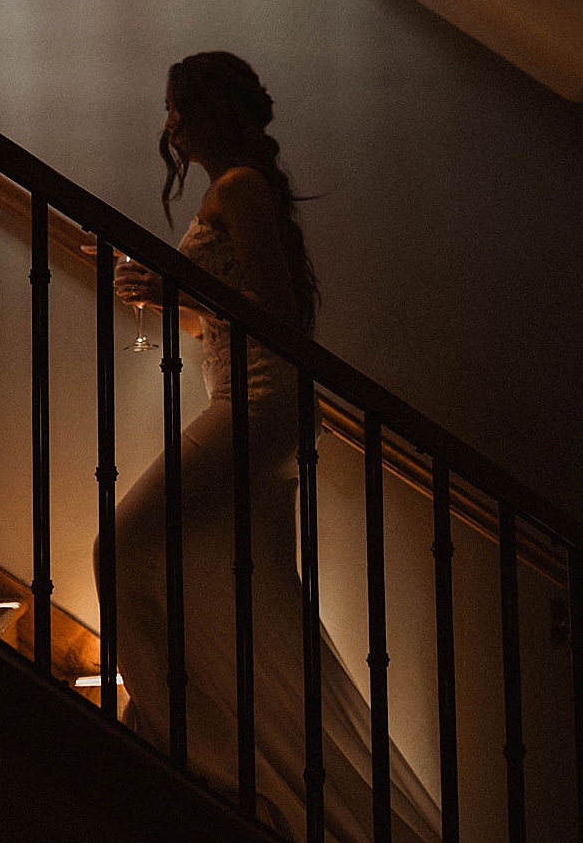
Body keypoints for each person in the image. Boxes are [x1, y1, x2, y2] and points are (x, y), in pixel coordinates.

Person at [104, 52, 441, 843]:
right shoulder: (235, 190)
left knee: (119, 551)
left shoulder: (241, 188)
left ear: (210, 110)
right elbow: (219, 320)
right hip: (252, 397)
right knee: (246, 594)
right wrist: (162, 295)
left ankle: (189, 748)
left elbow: (278, 315)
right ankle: (255, 768)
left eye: (176, 107)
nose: (169, 125)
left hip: (258, 402)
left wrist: (168, 280)